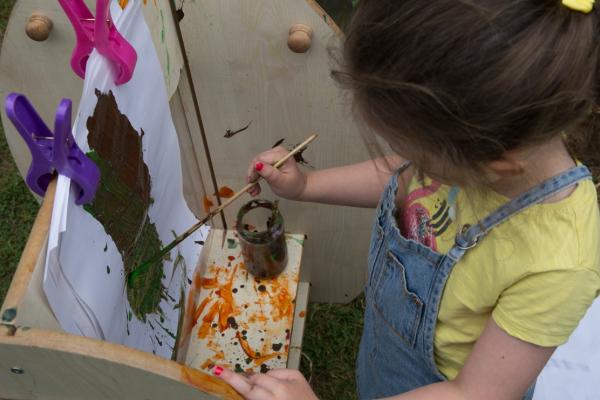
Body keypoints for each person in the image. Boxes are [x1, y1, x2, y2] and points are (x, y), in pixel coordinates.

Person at [214, 0, 600, 399]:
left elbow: (474, 393)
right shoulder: (477, 137)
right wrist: (306, 186)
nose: (415, 166)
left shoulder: (560, 263)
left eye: (422, 155)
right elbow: (400, 180)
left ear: (496, 161)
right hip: (388, 351)